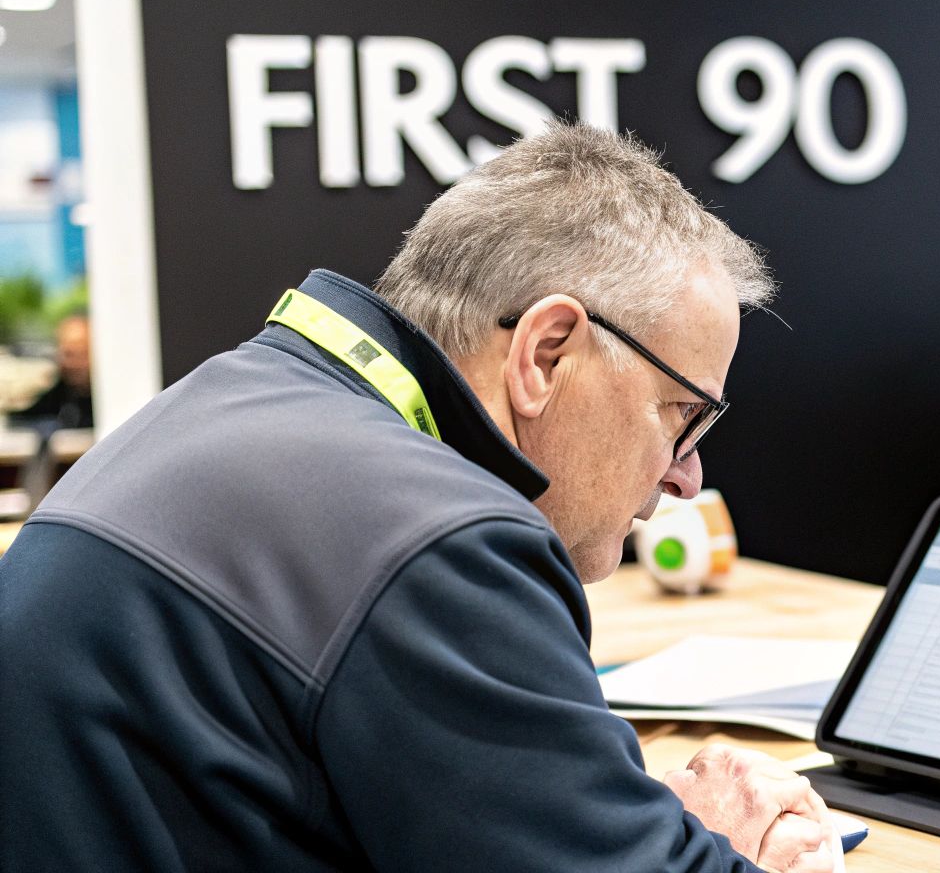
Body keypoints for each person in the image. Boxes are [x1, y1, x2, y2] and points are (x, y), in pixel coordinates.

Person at [0, 125, 840, 872]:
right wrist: (711, 843)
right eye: (683, 414)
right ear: (547, 354)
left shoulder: (235, 397)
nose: (687, 476)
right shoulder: (436, 538)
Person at [9, 311, 93, 430]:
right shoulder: (61, 394)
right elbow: (24, 418)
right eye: (64, 353)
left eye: (79, 353)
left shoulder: (112, 404)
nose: (69, 363)